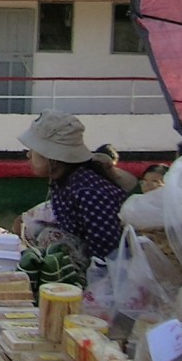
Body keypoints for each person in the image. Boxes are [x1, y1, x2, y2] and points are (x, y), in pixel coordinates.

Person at [14, 110, 127, 271]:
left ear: (53, 158)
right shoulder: (64, 182)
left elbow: (107, 254)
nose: (28, 154)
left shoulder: (88, 192)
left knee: (50, 237)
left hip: (109, 272)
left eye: (34, 150)